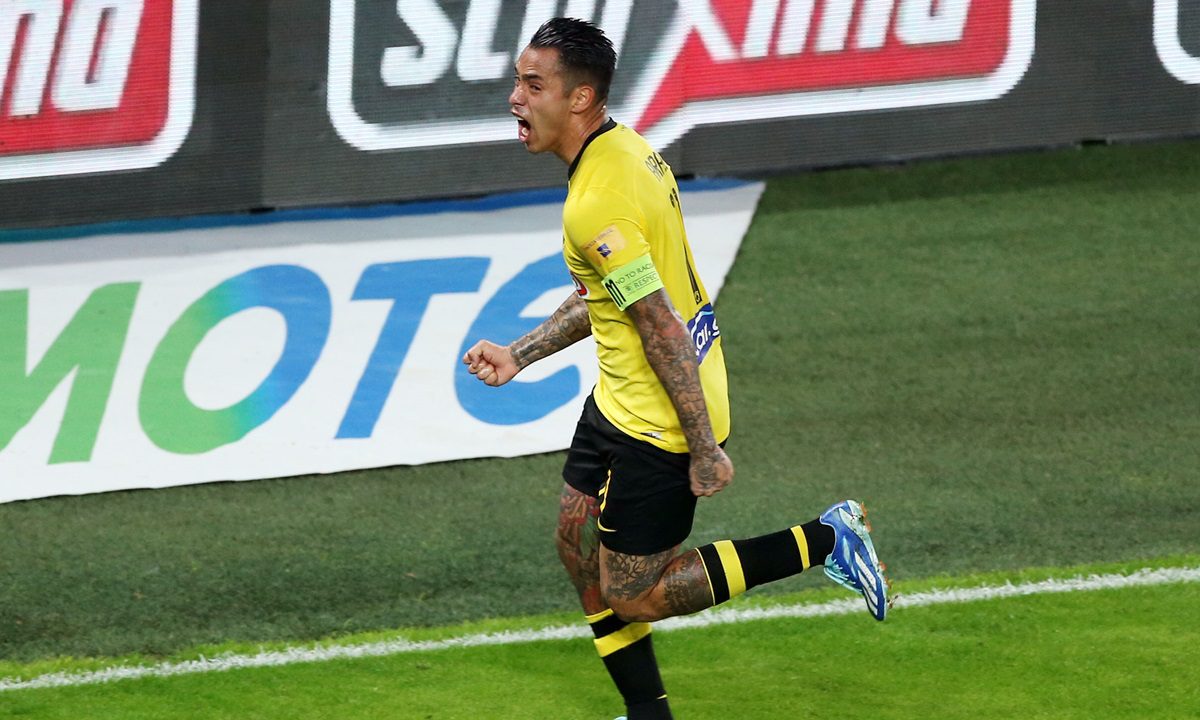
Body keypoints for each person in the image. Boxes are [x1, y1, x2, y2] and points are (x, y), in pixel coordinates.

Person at [463, 17, 891, 720]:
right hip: (621, 400)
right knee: (576, 544)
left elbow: (659, 324)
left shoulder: (596, 202)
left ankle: (825, 539)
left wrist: (702, 448)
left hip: (659, 423)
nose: (515, 98)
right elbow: (610, 297)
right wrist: (520, 353)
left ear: (580, 98)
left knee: (635, 593)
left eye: (533, 85)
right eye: (518, 81)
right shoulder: (630, 152)